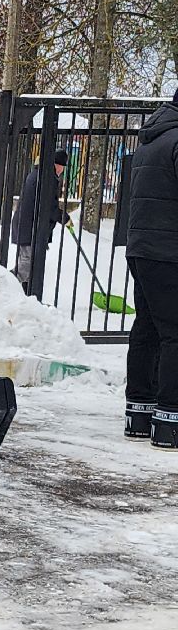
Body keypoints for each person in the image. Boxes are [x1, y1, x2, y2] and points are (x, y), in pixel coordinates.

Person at [123, 89, 178, 449]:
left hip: (142, 248)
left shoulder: (151, 138)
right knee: (174, 331)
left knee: (146, 328)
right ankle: (170, 417)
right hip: (170, 251)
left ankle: (139, 414)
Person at [12, 149, 71, 293]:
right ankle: (0, 286)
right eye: (62, 167)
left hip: (28, 227)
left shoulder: (39, 174)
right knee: (26, 267)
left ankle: (26, 296)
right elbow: (48, 206)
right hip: (30, 228)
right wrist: (64, 218)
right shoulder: (46, 178)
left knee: (31, 267)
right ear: (57, 165)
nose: (62, 171)